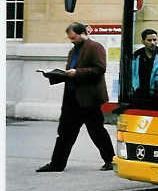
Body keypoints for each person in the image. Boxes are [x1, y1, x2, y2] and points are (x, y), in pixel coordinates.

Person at [36, 23, 115, 172]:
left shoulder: (95, 47)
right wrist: (53, 75)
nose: (71, 41)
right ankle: (56, 164)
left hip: (89, 100)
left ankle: (110, 160)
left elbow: (100, 68)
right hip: (72, 99)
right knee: (65, 132)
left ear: (83, 33)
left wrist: (77, 73)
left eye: (73, 37)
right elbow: (69, 73)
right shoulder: (73, 51)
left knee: (97, 132)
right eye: (70, 38)